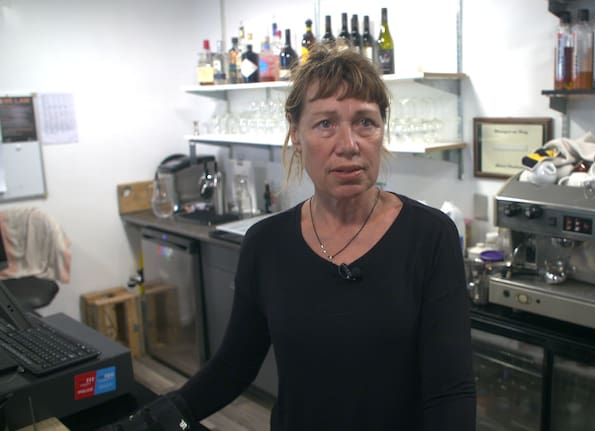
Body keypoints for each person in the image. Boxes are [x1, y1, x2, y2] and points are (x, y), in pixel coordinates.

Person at [101, 45, 476, 431]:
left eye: (365, 122)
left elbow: (451, 391)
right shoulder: (266, 244)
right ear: (296, 134)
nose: (349, 144)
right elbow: (233, 366)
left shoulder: (429, 236)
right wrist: (149, 421)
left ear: (382, 130)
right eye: (326, 123)